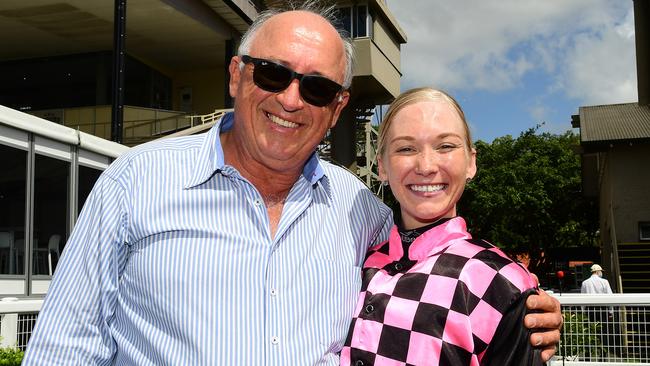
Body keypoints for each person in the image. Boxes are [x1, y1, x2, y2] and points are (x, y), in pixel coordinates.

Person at [23, 3, 561, 365]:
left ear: (338, 109)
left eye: (318, 87)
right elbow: (62, 349)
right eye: (273, 74)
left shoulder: (361, 213)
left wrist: (518, 307)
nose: (290, 100)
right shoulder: (134, 183)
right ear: (236, 75)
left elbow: (437, 256)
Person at [341, 88, 543, 365]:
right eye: (406, 148)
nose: (426, 166)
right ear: (382, 167)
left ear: (471, 162)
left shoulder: (502, 281)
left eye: (445, 146)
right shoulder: (356, 261)